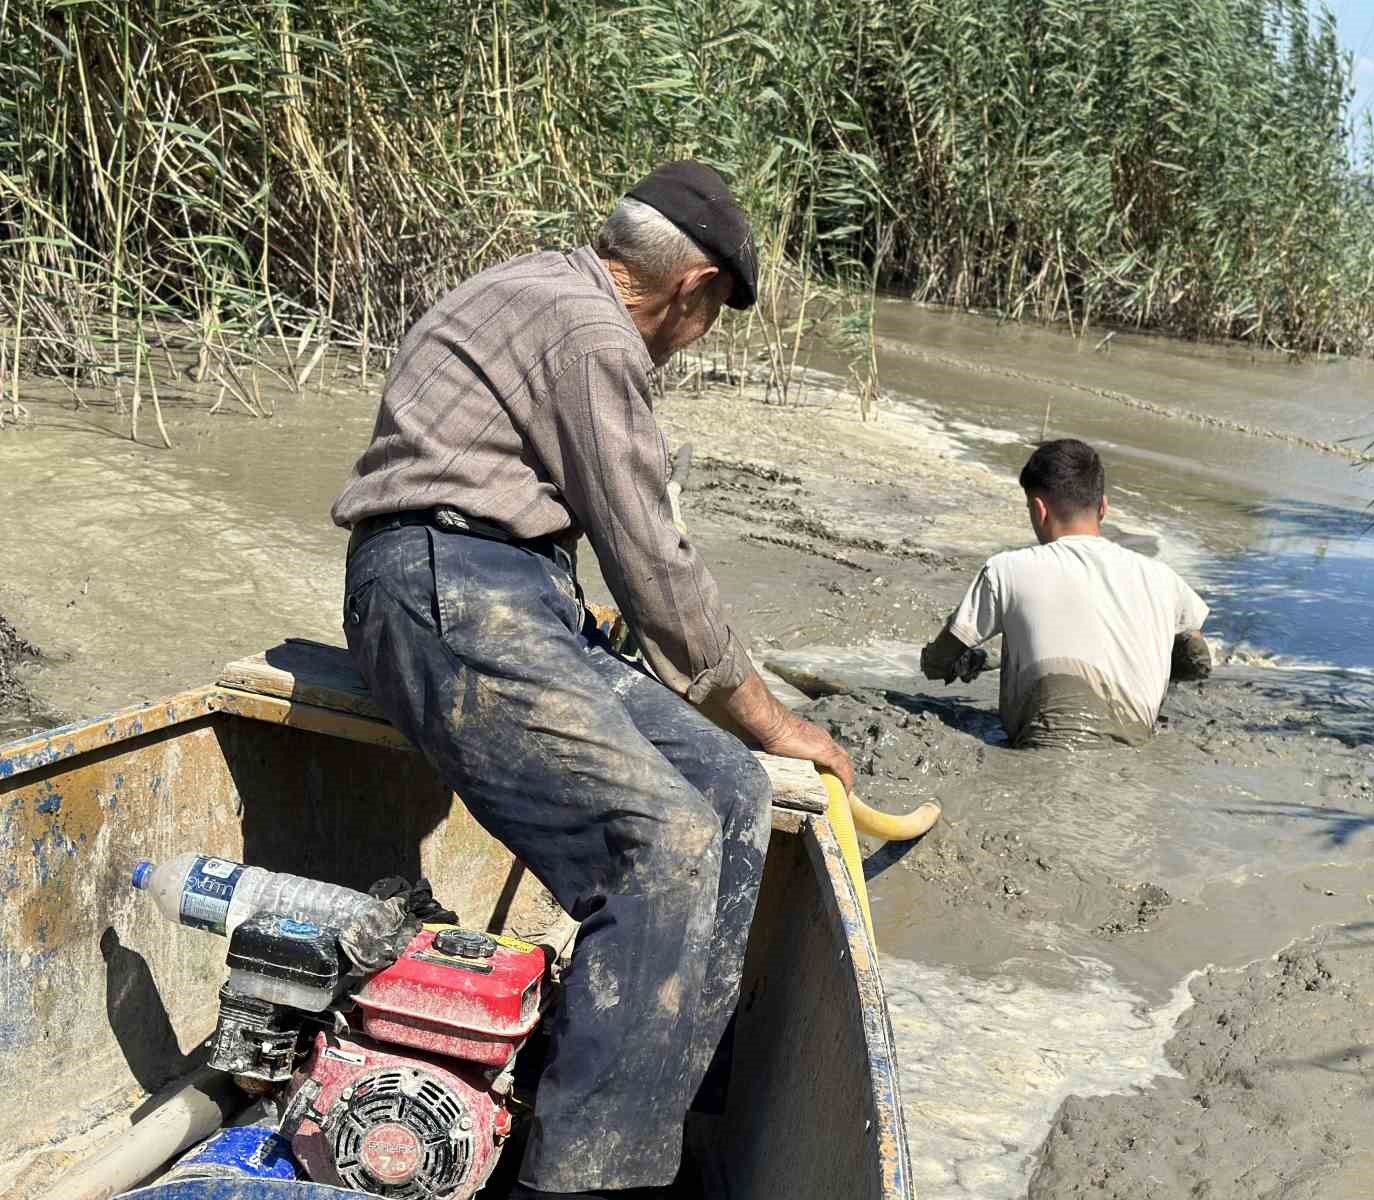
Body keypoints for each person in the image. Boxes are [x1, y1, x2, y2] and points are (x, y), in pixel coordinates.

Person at [331, 161, 854, 1200]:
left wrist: (741, 743)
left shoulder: (536, 287)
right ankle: (583, 1182)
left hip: (501, 589)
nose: (696, 338)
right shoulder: (593, 335)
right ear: (692, 286)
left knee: (729, 789)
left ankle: (653, 1116)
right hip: (444, 588)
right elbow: (654, 565)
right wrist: (769, 716)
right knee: (660, 842)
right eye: (711, 316)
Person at [920, 438, 1210, 748]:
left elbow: (936, 665)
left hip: (1043, 743)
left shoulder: (1006, 569)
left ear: (1038, 509)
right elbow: (1198, 660)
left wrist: (961, 659)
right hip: (1132, 747)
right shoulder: (1163, 579)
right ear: (1103, 507)